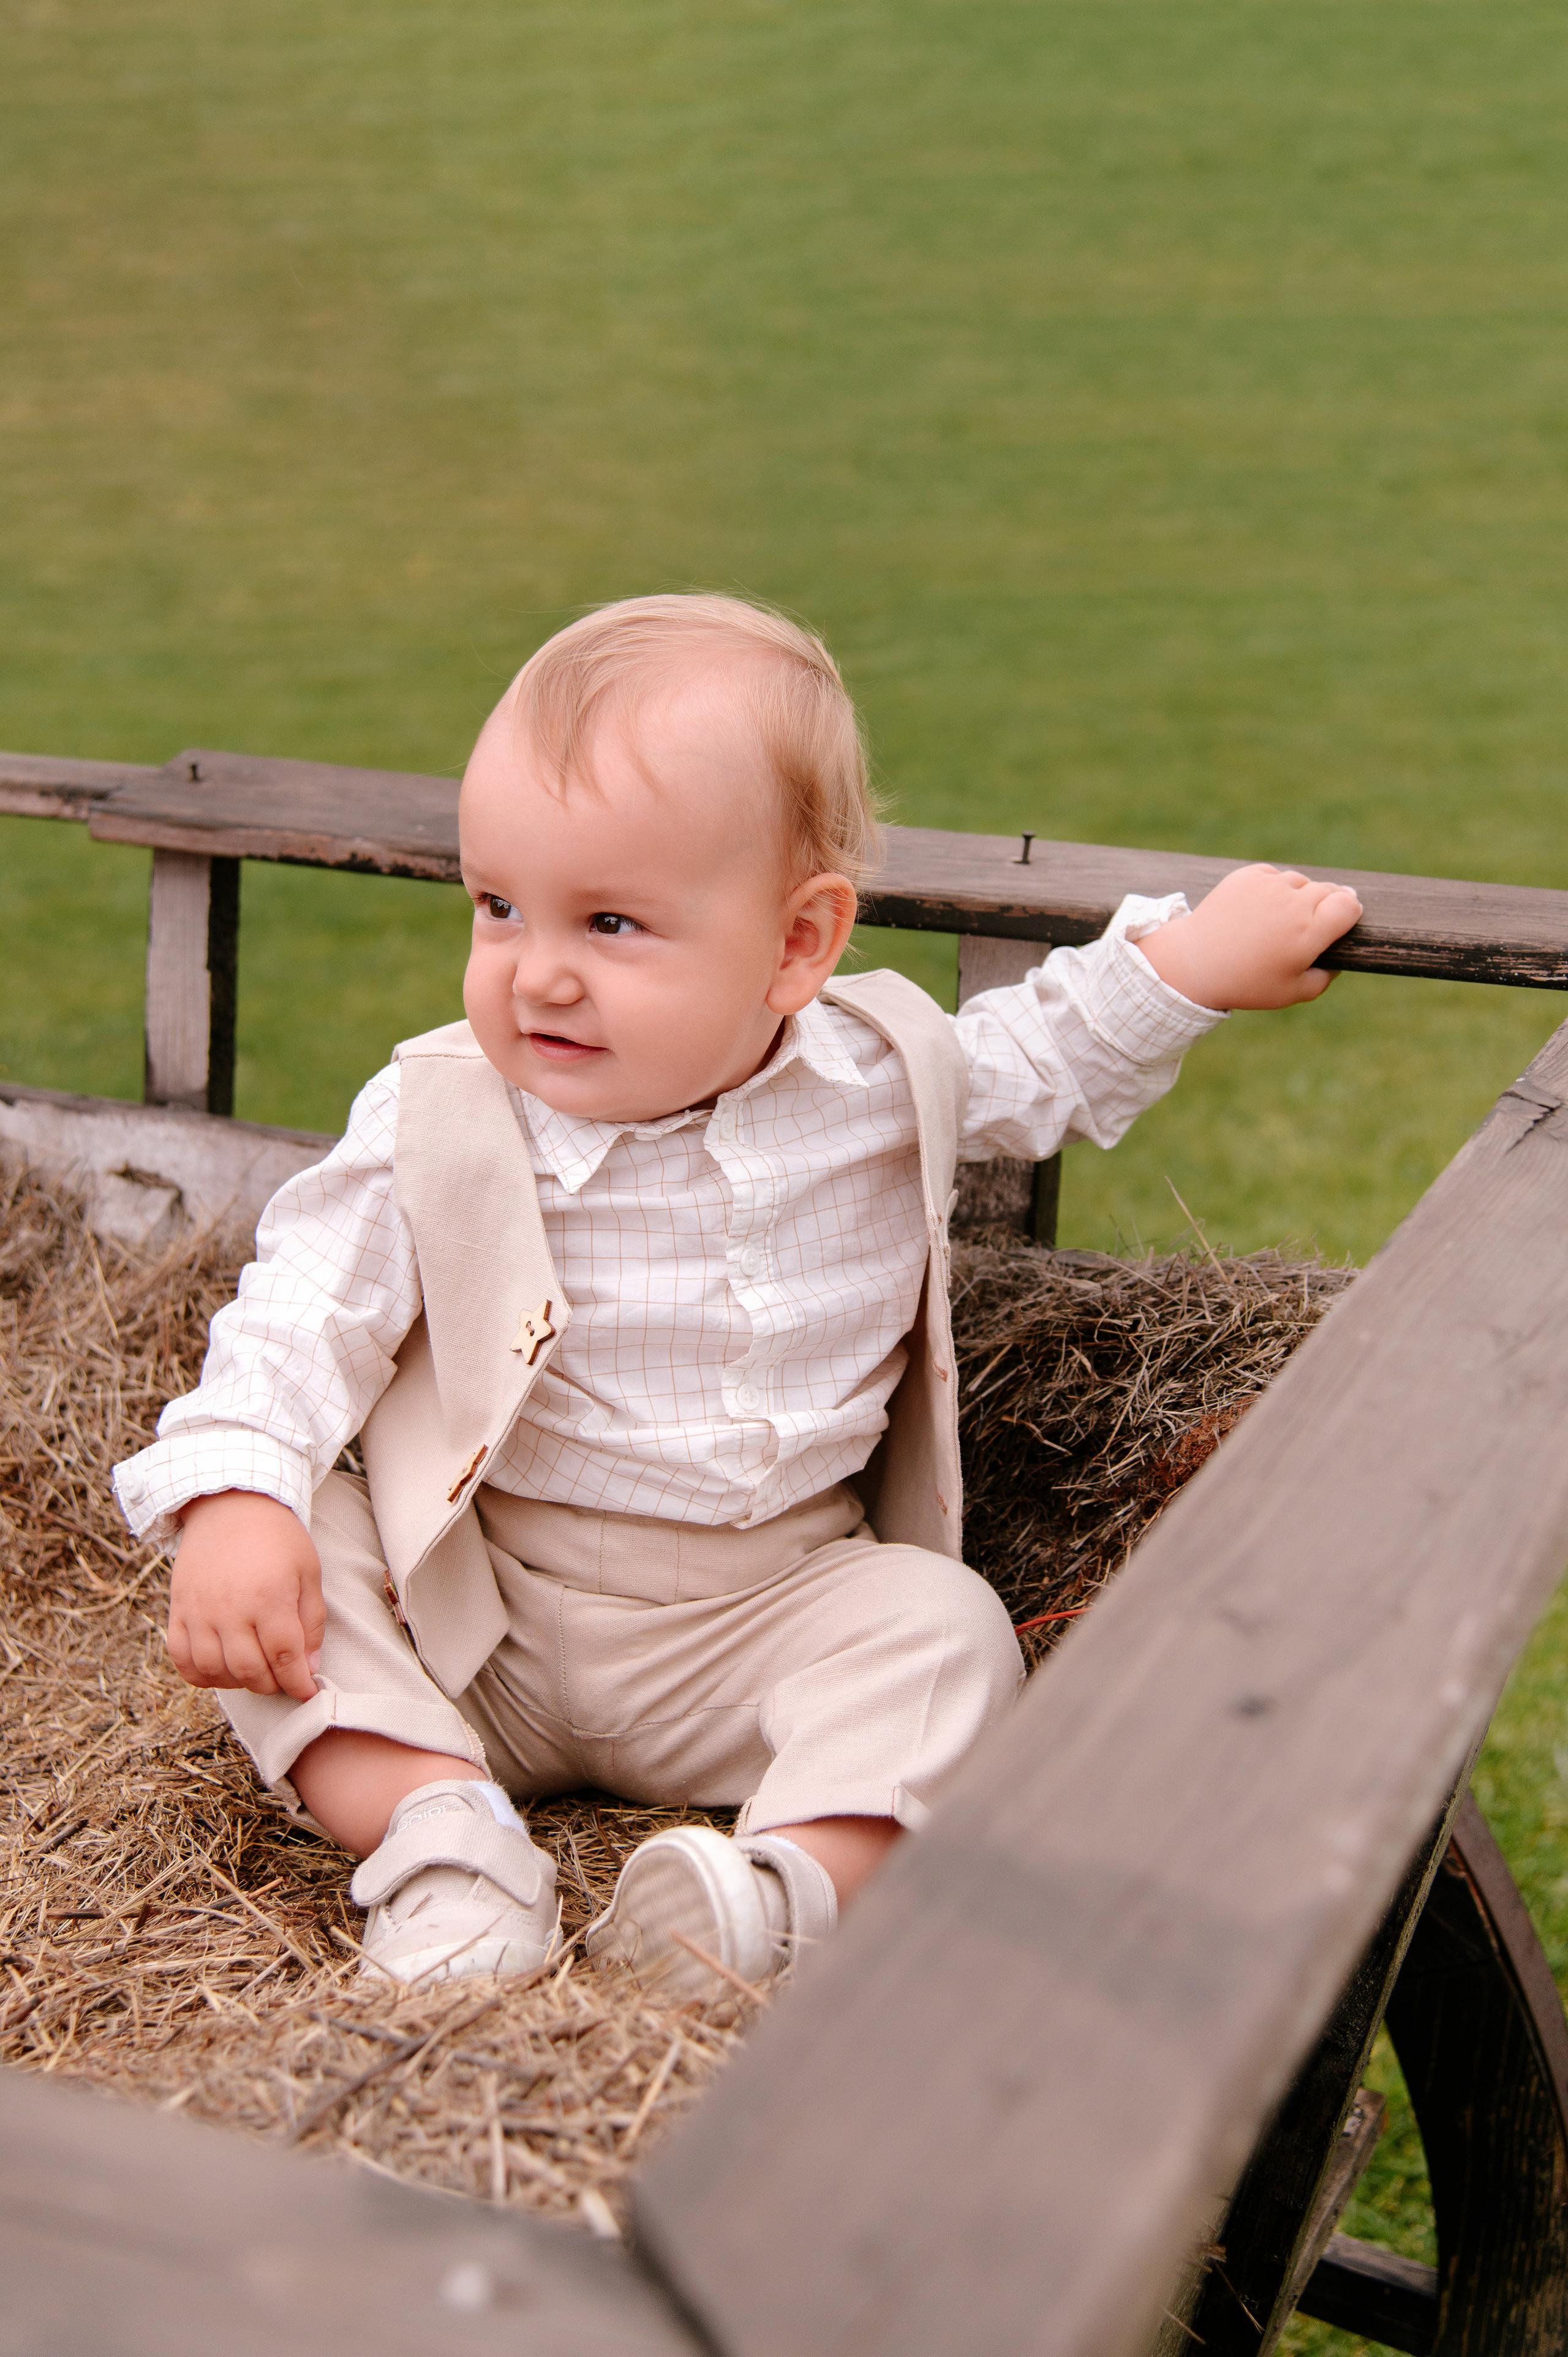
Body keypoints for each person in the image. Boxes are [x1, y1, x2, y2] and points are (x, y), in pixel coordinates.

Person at [113, 594, 1362, 1998]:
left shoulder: (874, 1079)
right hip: (483, 1617)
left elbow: (1039, 1054)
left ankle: (764, 1904)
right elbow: (300, 1311)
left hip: (759, 1623)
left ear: (795, 944)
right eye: (497, 905)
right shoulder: (439, 1112)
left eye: (610, 921)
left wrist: (1191, 966)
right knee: (292, 1559)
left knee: (943, 1634)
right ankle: (441, 1842)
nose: (536, 971)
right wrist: (241, 1497)